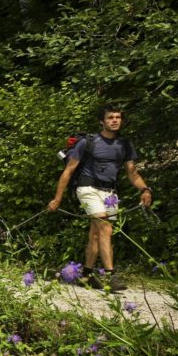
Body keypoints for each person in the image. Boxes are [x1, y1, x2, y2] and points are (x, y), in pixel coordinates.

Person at [48, 105, 153, 291]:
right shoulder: (89, 142)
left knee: (96, 234)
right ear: (102, 121)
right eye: (110, 117)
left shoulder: (125, 145)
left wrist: (145, 189)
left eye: (118, 117)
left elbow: (132, 173)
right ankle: (110, 276)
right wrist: (58, 198)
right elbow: (69, 171)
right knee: (105, 228)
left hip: (110, 192)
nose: (114, 120)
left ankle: (87, 275)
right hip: (87, 188)